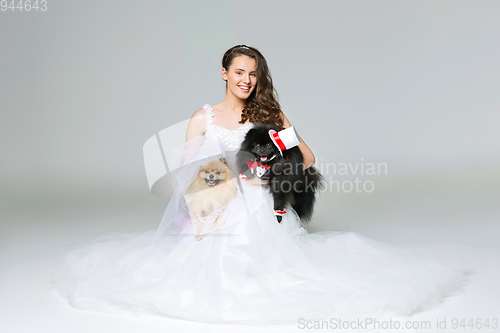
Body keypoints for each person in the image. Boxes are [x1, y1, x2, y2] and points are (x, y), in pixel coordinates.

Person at [51, 45, 464, 325]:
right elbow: (185, 171)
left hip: (259, 206)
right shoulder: (204, 117)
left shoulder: (270, 113)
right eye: (239, 72)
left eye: (253, 73)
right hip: (217, 203)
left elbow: (307, 156)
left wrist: (268, 173)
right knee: (196, 267)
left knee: (264, 266)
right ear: (224, 73)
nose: (246, 80)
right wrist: (213, 191)